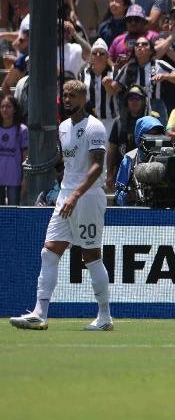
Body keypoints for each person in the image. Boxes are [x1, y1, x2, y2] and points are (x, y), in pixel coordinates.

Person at [10, 80, 111, 331]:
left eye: (73, 95)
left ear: (83, 98)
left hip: (86, 197)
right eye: (65, 95)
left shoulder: (95, 127)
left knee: (91, 256)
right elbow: (69, 161)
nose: (67, 99)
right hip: (66, 196)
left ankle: (104, 316)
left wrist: (75, 195)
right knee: (49, 252)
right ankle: (40, 313)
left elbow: (96, 165)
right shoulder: (64, 126)